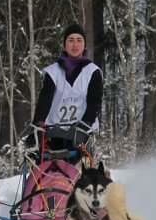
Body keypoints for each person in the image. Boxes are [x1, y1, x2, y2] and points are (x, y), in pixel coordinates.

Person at [28, 24, 103, 156]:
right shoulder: (52, 72)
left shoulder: (93, 72)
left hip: (83, 134)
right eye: (71, 40)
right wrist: (36, 127)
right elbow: (44, 102)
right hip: (54, 134)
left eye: (79, 40)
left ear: (84, 45)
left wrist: (84, 125)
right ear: (64, 45)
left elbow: (94, 103)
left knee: (83, 167)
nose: (75, 45)